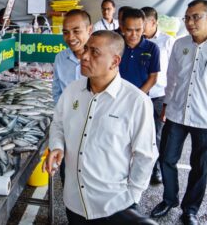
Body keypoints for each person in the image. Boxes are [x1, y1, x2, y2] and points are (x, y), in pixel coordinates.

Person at [44, 30, 158, 225]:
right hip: (74, 201)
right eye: (86, 49)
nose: (84, 56)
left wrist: (132, 196)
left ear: (115, 61)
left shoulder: (136, 102)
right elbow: (58, 124)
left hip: (113, 206)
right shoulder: (72, 91)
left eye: (95, 52)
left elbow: (145, 156)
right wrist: (57, 146)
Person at [150, 0, 207, 225]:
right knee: (167, 158)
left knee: (200, 166)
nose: (190, 22)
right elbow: (172, 78)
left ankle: (190, 209)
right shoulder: (180, 44)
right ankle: (169, 199)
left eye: (196, 17)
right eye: (187, 18)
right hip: (176, 113)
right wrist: (165, 105)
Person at [52, 9, 92, 185]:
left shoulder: (100, 58)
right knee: (68, 179)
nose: (70, 37)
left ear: (89, 29)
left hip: (94, 131)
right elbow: (57, 92)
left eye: (77, 31)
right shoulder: (60, 58)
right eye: (66, 32)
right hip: (69, 129)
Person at [141, 6, 175, 184]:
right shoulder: (136, 41)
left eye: (143, 23)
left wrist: (169, 101)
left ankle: (157, 170)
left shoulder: (167, 42)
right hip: (140, 94)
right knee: (140, 134)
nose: (139, 27)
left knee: (158, 136)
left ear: (153, 22)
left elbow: (173, 72)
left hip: (159, 95)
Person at [119, 8, 160, 94]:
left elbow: (153, 78)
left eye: (138, 30)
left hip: (141, 98)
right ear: (122, 28)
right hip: (116, 97)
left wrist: (137, 97)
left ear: (144, 27)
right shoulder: (115, 45)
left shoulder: (152, 48)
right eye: (129, 30)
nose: (134, 35)